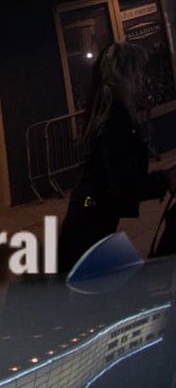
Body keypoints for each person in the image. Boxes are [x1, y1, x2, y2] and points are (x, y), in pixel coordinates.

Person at [56, 41, 176, 275]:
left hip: (91, 222)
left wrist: (164, 175)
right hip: (89, 232)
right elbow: (121, 184)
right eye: (138, 72)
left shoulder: (112, 115)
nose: (143, 79)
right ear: (126, 76)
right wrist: (165, 181)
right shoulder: (114, 119)